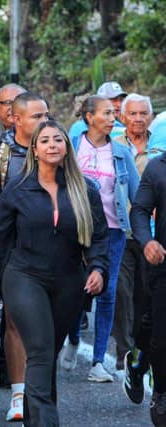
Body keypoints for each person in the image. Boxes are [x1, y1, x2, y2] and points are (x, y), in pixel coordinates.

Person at [0, 120, 109, 426]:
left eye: (58, 140)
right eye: (45, 141)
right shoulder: (17, 188)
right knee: (38, 349)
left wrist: (98, 268)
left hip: (68, 281)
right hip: (24, 276)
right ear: (35, 150)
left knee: (47, 354)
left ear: (66, 148)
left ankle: (33, 417)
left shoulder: (84, 189)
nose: (52, 145)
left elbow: (99, 236)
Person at [0, 91, 49, 421]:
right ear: (16, 119)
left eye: (47, 114)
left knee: (47, 327)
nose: (44, 121)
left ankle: (40, 389)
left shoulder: (57, 148)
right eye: (37, 116)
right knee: (15, 322)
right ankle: (19, 395)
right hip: (13, 252)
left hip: (53, 250)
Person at [60, 95, 140, 383]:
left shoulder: (120, 152)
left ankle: (96, 363)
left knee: (108, 292)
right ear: (89, 117)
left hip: (113, 230)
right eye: (106, 113)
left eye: (113, 113)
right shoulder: (71, 147)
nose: (112, 118)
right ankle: (72, 337)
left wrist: (144, 227)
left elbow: (137, 194)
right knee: (76, 290)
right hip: (77, 229)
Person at [111, 94, 153, 369]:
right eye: (133, 114)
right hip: (122, 231)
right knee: (121, 292)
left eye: (143, 114)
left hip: (152, 234)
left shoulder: (160, 147)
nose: (138, 119)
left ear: (150, 116)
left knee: (147, 293)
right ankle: (125, 353)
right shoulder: (112, 147)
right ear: (123, 117)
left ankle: (144, 347)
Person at [129, 152, 166, 426]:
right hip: (163, 262)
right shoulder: (158, 167)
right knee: (160, 337)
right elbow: (140, 210)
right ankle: (162, 391)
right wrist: (146, 240)